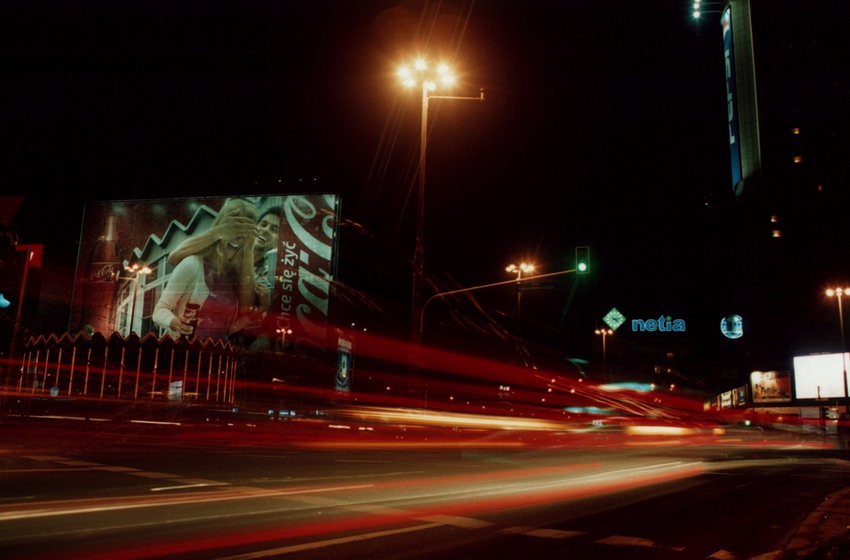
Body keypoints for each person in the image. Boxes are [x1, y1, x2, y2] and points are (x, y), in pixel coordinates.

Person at [167, 205, 282, 343]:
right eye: (263, 224)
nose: (265, 230)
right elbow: (173, 258)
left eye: (274, 230)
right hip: (179, 336)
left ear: (278, 244)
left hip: (216, 344)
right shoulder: (220, 248)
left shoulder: (264, 283)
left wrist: (260, 309)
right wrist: (218, 231)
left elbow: (245, 315)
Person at [153, 198, 258, 339]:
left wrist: (249, 249)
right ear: (222, 226)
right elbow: (160, 310)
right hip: (182, 349)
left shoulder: (237, 274)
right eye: (234, 226)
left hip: (215, 354)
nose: (237, 233)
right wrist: (173, 322)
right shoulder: (193, 264)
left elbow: (244, 310)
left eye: (245, 228)